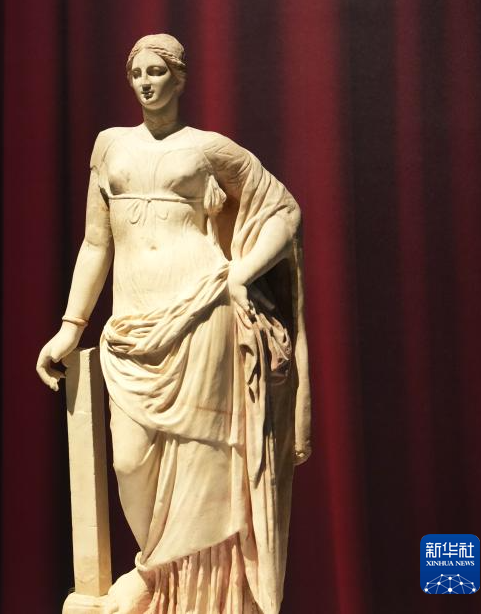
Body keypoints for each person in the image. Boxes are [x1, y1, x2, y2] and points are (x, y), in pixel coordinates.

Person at [36, 34, 311, 614]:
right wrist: (70, 326)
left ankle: (165, 587)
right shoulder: (110, 146)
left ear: (179, 78)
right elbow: (95, 244)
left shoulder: (207, 149)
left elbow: (283, 211)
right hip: (131, 330)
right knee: (129, 461)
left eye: (157, 72)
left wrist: (242, 275)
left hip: (200, 314)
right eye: (137, 72)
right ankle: (155, 570)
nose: (145, 82)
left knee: (206, 461)